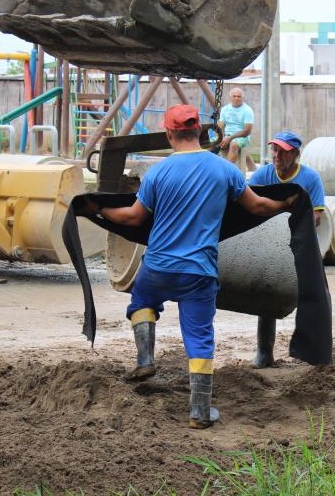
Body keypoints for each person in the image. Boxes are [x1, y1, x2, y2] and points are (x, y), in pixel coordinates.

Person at [91, 104, 296, 429]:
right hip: (199, 272)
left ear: (170, 134)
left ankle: (145, 359)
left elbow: (132, 217)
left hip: (157, 266)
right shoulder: (224, 170)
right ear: (199, 131)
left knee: (141, 302)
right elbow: (257, 207)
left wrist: (99, 207)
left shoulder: (157, 173)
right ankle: (200, 412)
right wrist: (286, 203)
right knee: (199, 338)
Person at [247, 131, 326, 368]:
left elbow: (316, 216)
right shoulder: (263, 175)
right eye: (274, 150)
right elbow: (247, 205)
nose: (277, 155)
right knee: (268, 295)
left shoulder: (310, 178)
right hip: (269, 246)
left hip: (300, 245)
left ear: (295, 154)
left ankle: (312, 352)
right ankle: (264, 352)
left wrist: (288, 226)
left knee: (313, 295)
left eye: (282, 151)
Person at [217, 87, 257, 172]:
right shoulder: (225, 109)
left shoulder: (247, 110)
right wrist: (221, 137)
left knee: (233, 144)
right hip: (227, 136)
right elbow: (221, 126)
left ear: (242, 98)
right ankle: (206, 169)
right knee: (211, 143)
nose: (236, 98)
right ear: (230, 97)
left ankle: (227, 171)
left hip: (242, 137)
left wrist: (230, 138)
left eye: (239, 96)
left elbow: (247, 131)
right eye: (234, 96)